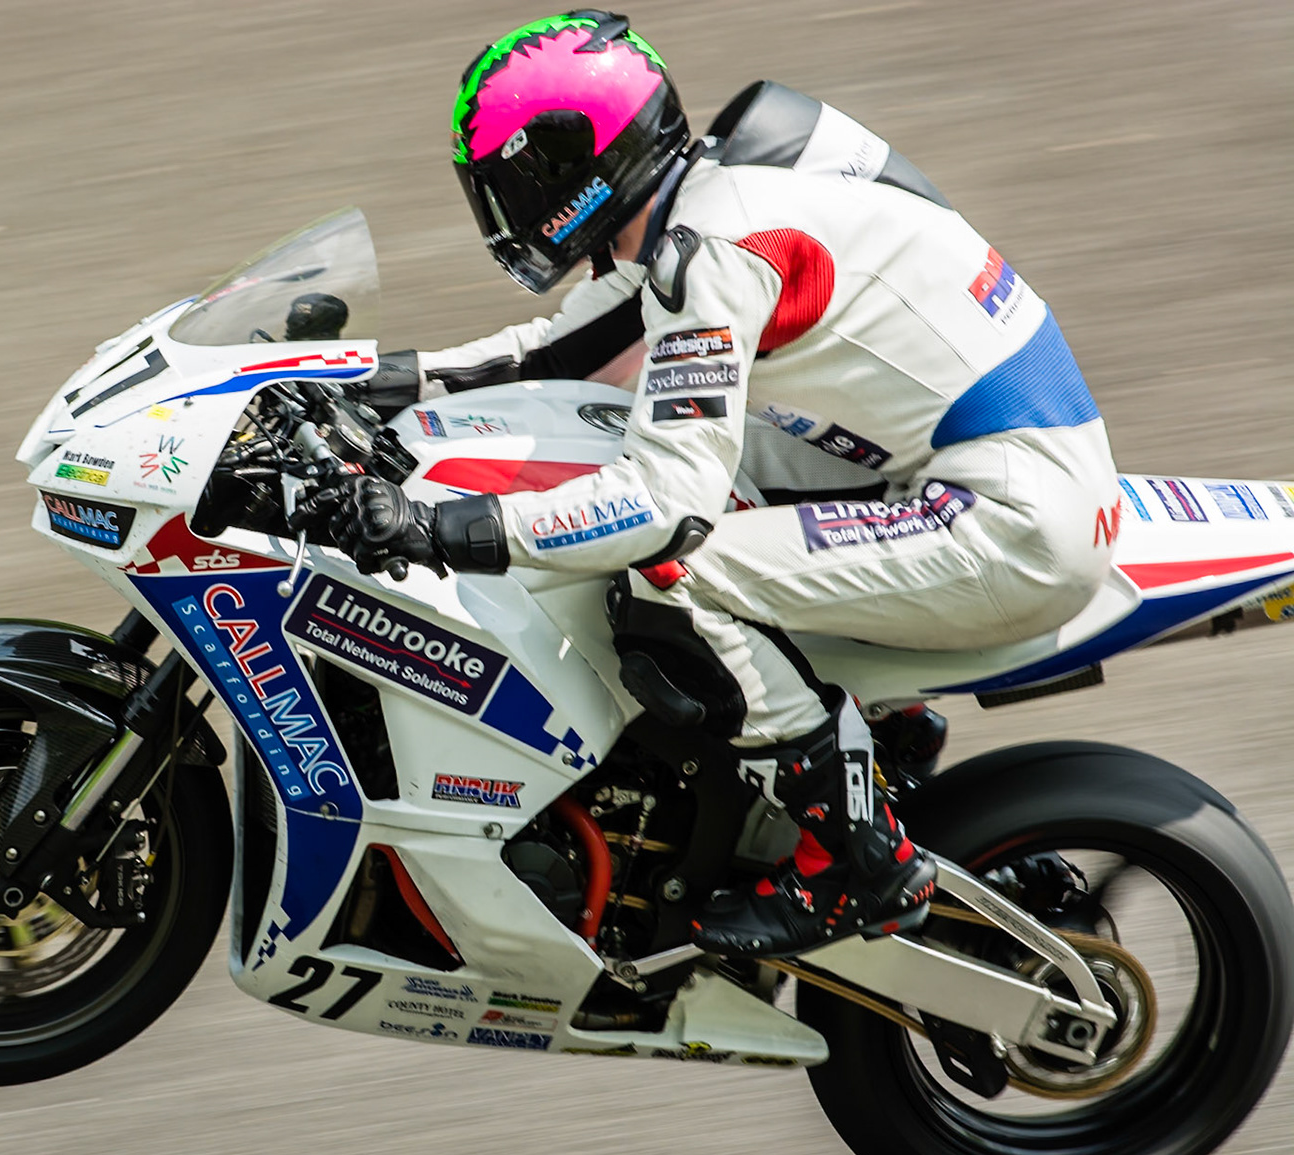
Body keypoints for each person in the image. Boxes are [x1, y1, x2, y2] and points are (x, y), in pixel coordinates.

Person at [318, 10, 1120, 958]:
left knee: (671, 571)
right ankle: (873, 737)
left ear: (576, 165)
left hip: (1009, 518)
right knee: (619, 441)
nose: (499, 208)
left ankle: (859, 861)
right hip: (965, 468)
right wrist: (352, 377)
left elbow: (664, 508)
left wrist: (441, 527)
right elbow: (554, 355)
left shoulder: (710, 254)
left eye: (511, 181)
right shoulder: (707, 203)